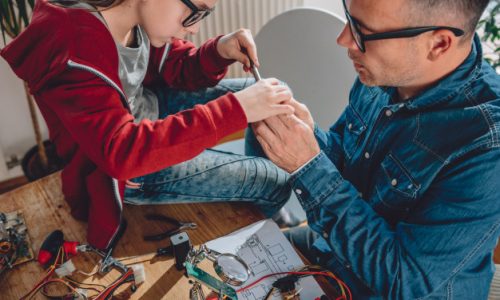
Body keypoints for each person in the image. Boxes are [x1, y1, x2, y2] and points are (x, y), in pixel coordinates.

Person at [251, 0, 500, 298]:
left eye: (362, 32)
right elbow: (347, 164)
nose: (343, 39)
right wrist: (308, 138)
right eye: (349, 19)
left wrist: (308, 165)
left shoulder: (487, 145)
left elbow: (403, 280)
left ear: (439, 43)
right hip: (331, 251)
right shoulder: (384, 73)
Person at [0, 0, 294, 250]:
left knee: (275, 91)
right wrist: (236, 110)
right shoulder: (74, 47)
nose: (194, 28)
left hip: (147, 115)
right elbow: (121, 152)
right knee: (276, 182)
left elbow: (175, 67)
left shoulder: (131, 14)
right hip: (126, 169)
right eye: (194, 12)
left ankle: (254, 199)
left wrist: (219, 50)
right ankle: (256, 234)